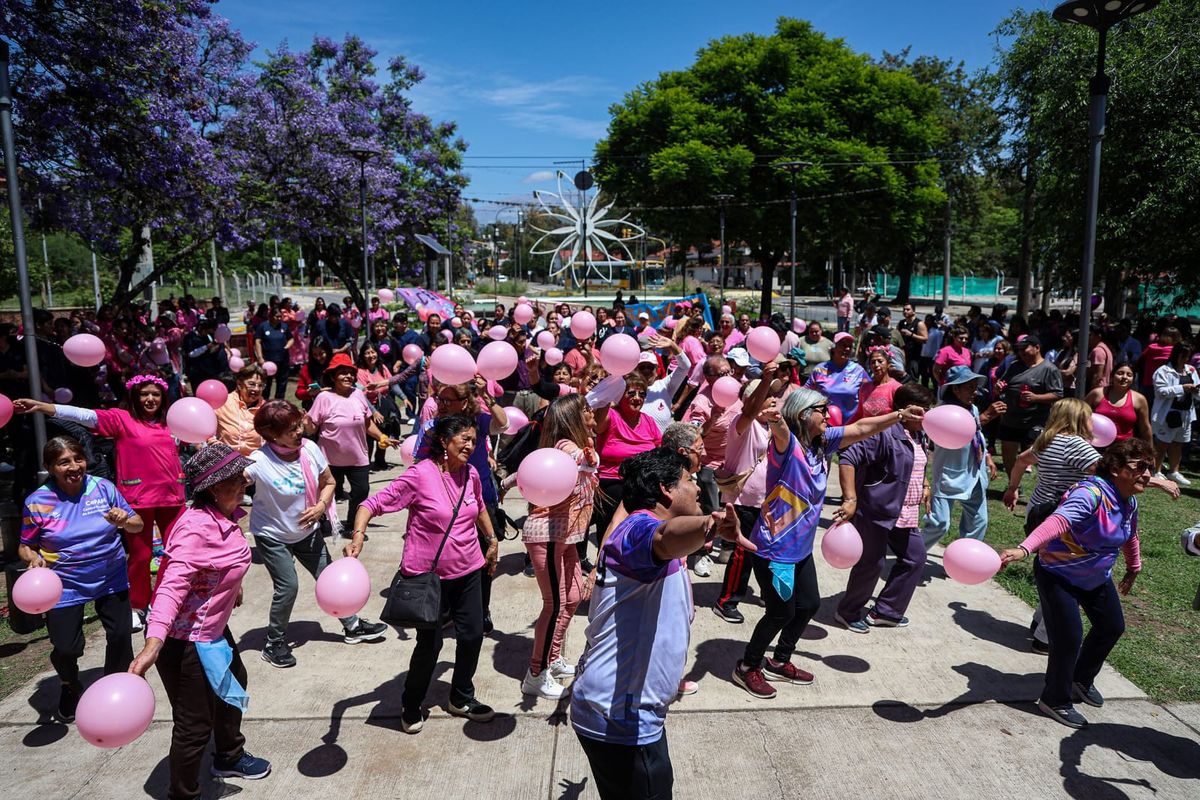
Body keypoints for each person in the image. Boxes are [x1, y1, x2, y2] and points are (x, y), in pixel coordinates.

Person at [570, 448, 753, 800]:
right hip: (620, 718)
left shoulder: (635, 529)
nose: (699, 487)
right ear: (665, 490)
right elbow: (663, 537)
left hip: (623, 710)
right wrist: (709, 525)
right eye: (688, 480)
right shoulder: (639, 531)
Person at [732, 388, 927, 698]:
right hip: (774, 551)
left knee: (808, 604)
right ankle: (747, 666)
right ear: (804, 415)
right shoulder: (787, 446)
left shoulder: (824, 441)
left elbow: (863, 428)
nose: (829, 413)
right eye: (823, 408)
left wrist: (898, 416)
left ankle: (780, 660)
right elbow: (782, 429)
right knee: (779, 612)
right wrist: (775, 419)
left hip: (799, 551)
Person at [129, 443, 272, 797]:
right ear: (212, 487)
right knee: (193, 727)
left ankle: (228, 755)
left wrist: (231, 587)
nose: (244, 482)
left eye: (242, 476)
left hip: (213, 630)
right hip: (185, 642)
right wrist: (153, 643)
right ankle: (182, 794)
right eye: (235, 479)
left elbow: (217, 566)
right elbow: (170, 588)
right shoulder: (194, 529)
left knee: (231, 688)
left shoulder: (225, 516)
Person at [347, 415, 500, 733]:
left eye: (474, 440)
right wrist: (358, 535)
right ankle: (411, 703)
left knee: (472, 635)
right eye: (465, 439)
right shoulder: (419, 475)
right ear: (444, 442)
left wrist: (492, 539)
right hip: (428, 578)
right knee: (430, 646)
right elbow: (371, 503)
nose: (471, 446)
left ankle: (460, 697)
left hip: (469, 569)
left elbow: (479, 506)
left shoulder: (470, 473)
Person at [999, 438, 1152, 729]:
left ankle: (1080, 679)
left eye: (1150, 467)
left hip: (1095, 576)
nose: (1147, 473)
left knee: (1112, 627)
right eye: (1141, 466)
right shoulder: (1091, 493)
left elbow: (1130, 533)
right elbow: (1059, 522)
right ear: (1117, 468)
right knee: (1068, 638)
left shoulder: (1129, 500)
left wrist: (1134, 565)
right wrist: (1024, 548)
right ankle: (1054, 699)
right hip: (1058, 573)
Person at [14, 374, 186, 632]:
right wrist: (44, 406)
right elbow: (84, 415)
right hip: (137, 499)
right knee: (141, 556)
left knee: (178, 553)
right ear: (134, 397)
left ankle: (164, 601)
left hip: (173, 498)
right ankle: (137, 605)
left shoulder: (172, 423)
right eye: (144, 394)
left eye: (156, 394)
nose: (150, 399)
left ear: (164, 398)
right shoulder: (122, 419)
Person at [246, 401, 387, 669]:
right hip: (272, 534)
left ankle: (352, 625)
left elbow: (330, 482)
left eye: (299, 424)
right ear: (272, 435)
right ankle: (274, 643)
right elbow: (234, 484)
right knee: (288, 587)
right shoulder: (259, 461)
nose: (300, 430)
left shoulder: (309, 449)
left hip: (307, 532)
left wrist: (321, 506)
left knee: (330, 579)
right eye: (291, 429)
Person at [20, 436, 140, 722]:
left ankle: (116, 686)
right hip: (64, 582)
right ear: (49, 467)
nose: (74, 467)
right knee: (66, 647)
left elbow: (138, 525)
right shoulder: (37, 502)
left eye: (78, 459)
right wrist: (32, 558)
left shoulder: (103, 488)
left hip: (110, 574)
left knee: (121, 635)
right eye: (64, 462)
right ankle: (70, 685)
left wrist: (124, 520)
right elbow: (25, 544)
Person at [517, 394, 599, 699]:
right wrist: (588, 457)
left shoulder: (571, 445)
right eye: (587, 411)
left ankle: (552, 657)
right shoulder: (568, 447)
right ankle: (535, 674)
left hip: (567, 538)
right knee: (554, 605)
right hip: (549, 535)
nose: (593, 414)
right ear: (574, 419)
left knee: (574, 596)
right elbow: (577, 459)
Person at [834, 384, 935, 631]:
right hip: (876, 510)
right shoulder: (883, 432)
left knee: (915, 557)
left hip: (905, 512)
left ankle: (886, 611)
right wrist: (850, 499)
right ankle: (847, 612)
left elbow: (916, 461)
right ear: (905, 410)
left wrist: (924, 483)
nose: (928, 415)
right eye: (923, 410)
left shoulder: (920, 433)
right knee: (872, 562)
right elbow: (847, 458)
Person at [412, 377, 508, 633]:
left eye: (447, 400)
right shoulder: (432, 428)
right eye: (439, 399)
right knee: (448, 559)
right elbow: (418, 464)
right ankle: (448, 611)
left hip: (482, 499)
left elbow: (503, 423)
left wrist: (488, 398)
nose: (440, 404)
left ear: (464, 403)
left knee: (485, 559)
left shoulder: (478, 423)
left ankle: (481, 610)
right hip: (445, 504)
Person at [713, 367, 780, 624]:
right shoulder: (742, 424)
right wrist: (764, 379)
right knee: (742, 554)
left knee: (766, 551)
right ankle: (726, 600)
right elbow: (749, 411)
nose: (773, 399)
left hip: (766, 500)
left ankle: (767, 592)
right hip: (743, 500)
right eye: (767, 396)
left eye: (774, 396)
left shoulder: (770, 427)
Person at [305, 353, 392, 533]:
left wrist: (382, 437)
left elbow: (367, 423)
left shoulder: (358, 394)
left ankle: (353, 526)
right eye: (343, 373)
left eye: (350, 373)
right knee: (326, 495)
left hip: (358, 457)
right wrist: (306, 421)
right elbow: (312, 429)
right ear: (333, 376)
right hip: (329, 460)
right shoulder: (324, 398)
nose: (348, 376)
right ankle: (323, 523)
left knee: (361, 492)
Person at [921, 365, 1003, 551]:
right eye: (969, 387)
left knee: (978, 521)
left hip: (974, 474)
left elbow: (976, 436)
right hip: (950, 474)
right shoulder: (943, 412)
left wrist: (987, 457)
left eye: (975, 386)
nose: (975, 391)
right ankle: (913, 554)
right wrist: (985, 417)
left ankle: (963, 558)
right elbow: (961, 430)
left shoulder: (972, 408)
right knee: (939, 522)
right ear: (955, 388)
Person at [589, 373, 663, 569]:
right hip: (613, 481)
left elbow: (659, 451)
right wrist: (610, 389)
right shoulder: (612, 416)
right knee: (613, 532)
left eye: (642, 394)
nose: (637, 398)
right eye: (631, 393)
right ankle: (604, 569)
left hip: (642, 483)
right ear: (620, 396)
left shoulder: (648, 421)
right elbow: (597, 426)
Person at [996, 334, 1064, 472]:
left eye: (1024, 349)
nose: (1021, 352)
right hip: (1011, 418)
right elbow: (1004, 382)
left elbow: (1057, 394)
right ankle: (1013, 486)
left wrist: (1035, 397)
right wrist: (999, 386)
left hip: (1035, 421)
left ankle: (1044, 486)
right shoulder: (1015, 366)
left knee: (1034, 455)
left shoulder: (1049, 369)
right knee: (1008, 452)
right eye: (1019, 349)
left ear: (1037, 348)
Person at [1150, 341, 1199, 485]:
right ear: (1176, 355)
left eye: (1187, 356)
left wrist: (1196, 390)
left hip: (1186, 413)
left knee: (1178, 443)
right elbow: (1160, 391)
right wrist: (1182, 388)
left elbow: (1197, 390)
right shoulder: (1163, 371)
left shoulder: (1191, 370)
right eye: (1183, 356)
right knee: (1162, 443)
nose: (1185, 359)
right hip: (1168, 413)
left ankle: (1173, 471)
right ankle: (1156, 470)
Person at [805, 331, 869, 423]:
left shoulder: (858, 370)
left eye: (850, 346)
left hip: (851, 426)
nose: (847, 349)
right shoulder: (820, 369)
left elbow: (870, 393)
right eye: (843, 345)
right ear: (833, 348)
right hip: (824, 424)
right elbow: (806, 393)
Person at [356, 340, 402, 471]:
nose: (371, 355)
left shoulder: (382, 368)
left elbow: (392, 383)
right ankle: (365, 465)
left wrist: (403, 398)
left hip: (384, 406)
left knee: (385, 433)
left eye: (373, 352)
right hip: (368, 408)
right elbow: (362, 395)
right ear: (362, 356)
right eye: (367, 353)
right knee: (369, 437)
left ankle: (380, 460)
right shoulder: (361, 372)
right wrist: (374, 411)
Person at [1087, 361, 1153, 443]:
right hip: (1096, 445)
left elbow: (1145, 428)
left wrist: (1150, 452)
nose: (1124, 377)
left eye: (1129, 375)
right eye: (1120, 373)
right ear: (1112, 376)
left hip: (1124, 448)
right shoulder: (1097, 394)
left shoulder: (1139, 399)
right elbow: (1079, 416)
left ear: (1133, 379)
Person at [636, 335, 691, 432]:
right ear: (636, 370)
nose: (646, 370)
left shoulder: (665, 385)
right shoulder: (629, 390)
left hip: (660, 444)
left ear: (657, 369)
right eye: (642, 367)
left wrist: (672, 345)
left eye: (650, 367)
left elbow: (685, 366)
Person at [215, 364, 267, 457]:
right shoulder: (224, 403)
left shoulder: (266, 409)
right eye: (251, 384)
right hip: (225, 458)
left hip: (255, 461)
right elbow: (205, 428)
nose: (256, 389)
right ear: (239, 384)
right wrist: (214, 445)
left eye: (260, 385)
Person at [254, 307, 294, 400]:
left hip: (282, 359)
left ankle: (279, 401)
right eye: (277, 316)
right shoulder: (263, 326)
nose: (279, 318)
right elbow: (257, 341)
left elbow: (291, 338)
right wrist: (260, 357)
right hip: (267, 360)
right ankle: (263, 400)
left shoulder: (284, 326)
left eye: (281, 316)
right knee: (266, 383)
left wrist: (287, 346)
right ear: (271, 316)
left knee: (282, 382)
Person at [856, 347, 900, 420]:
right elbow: (859, 414)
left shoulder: (896, 388)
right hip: (867, 430)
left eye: (880, 361)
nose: (876, 365)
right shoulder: (864, 388)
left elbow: (900, 416)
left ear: (888, 364)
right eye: (873, 362)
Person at [896, 304, 927, 380]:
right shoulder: (901, 323)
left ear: (913, 311)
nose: (905, 311)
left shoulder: (919, 323)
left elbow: (925, 339)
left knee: (912, 378)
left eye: (908, 309)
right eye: (904, 309)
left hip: (914, 357)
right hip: (902, 355)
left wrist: (911, 334)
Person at [1086, 325, 1114, 392]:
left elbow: (1098, 375)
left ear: (1098, 336)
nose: (1089, 337)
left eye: (1091, 335)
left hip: (1098, 389)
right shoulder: (1105, 348)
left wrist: (1092, 392)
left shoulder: (1098, 350)